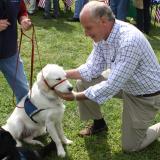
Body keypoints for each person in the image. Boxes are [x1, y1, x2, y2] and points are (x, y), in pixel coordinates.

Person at [55, 0, 160, 152]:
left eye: (88, 28)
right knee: (83, 82)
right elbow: (91, 68)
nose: (85, 34)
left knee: (130, 146)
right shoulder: (103, 34)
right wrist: (60, 74)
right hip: (125, 81)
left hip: (144, 95)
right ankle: (99, 124)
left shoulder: (129, 40)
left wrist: (76, 96)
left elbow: (112, 85)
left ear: (103, 21)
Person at [0, 0, 32, 103]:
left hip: (9, 51)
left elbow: (21, 11)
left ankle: (25, 118)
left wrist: (23, 19)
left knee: (24, 92)